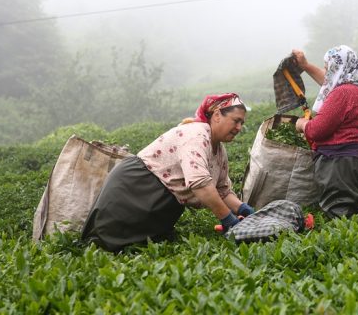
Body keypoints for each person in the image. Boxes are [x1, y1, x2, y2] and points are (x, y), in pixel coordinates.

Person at [81, 93, 255, 252]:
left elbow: (221, 190)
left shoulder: (219, 149)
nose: (239, 127)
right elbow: (200, 185)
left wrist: (243, 209)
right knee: (106, 244)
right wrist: (228, 220)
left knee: (143, 245)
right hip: (136, 188)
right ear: (217, 115)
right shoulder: (196, 136)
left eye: (242, 123)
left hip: (160, 200)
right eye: (236, 120)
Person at [292, 45, 358, 218]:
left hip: (342, 168)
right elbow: (331, 81)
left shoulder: (342, 93)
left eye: (329, 69)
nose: (327, 74)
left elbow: (316, 131)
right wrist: (305, 66)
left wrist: (302, 124)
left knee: (340, 218)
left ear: (338, 69)